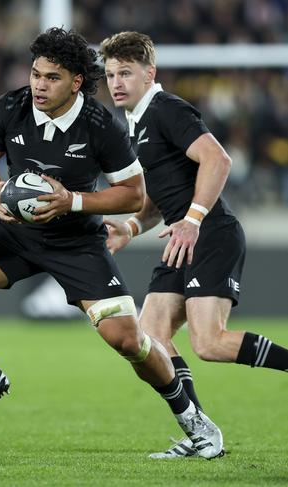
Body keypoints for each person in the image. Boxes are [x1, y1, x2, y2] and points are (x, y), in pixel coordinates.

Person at [0, 27, 223, 459]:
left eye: (51, 78)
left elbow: (134, 195)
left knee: (129, 341)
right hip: (16, 233)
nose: (38, 85)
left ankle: (195, 421)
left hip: (77, 244)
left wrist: (73, 201)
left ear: (76, 82)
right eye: (35, 74)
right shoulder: (11, 106)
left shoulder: (101, 124)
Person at [99, 31, 288, 458]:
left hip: (210, 233)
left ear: (150, 74)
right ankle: (202, 433)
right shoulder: (135, 122)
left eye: (126, 72)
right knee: (150, 337)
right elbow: (159, 198)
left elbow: (218, 159)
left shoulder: (167, 108)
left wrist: (193, 219)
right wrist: (130, 226)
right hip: (182, 236)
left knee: (209, 344)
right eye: (110, 74)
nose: (116, 82)